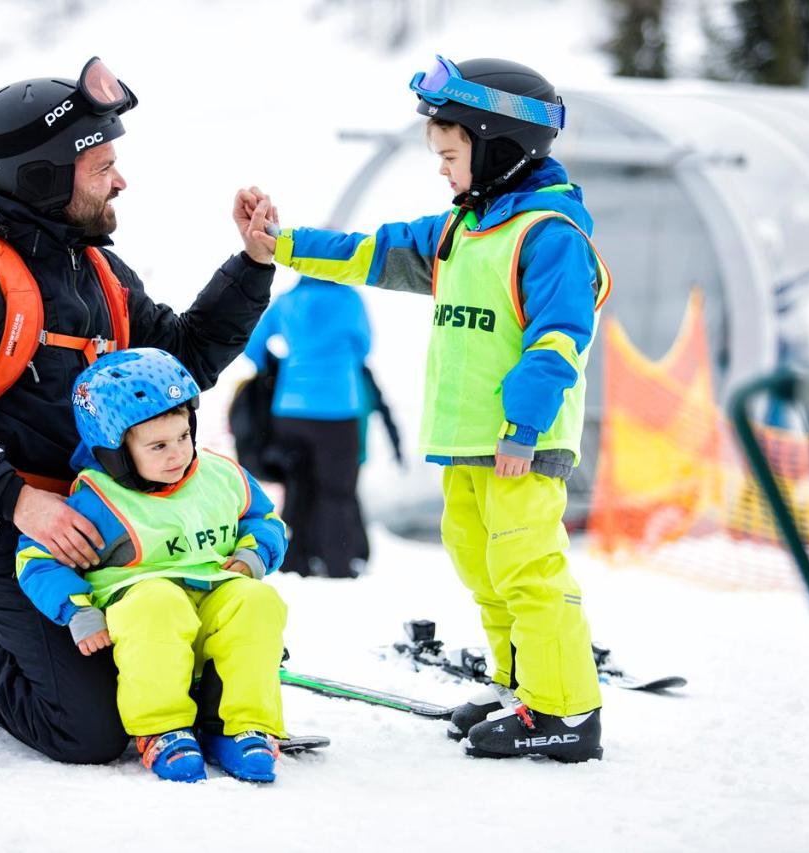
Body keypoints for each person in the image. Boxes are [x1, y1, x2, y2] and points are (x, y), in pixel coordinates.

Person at [0, 58, 278, 765]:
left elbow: (183, 360)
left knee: (204, 686)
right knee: (88, 730)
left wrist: (250, 263)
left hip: (109, 525)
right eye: (103, 166)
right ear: (43, 176)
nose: (120, 180)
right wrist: (21, 502)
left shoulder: (97, 270)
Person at [248, 56, 612, 762]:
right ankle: (520, 688)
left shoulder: (549, 236)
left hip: (519, 441)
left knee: (528, 568)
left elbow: (559, 340)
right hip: (470, 441)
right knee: (483, 566)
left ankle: (567, 709)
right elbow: (368, 253)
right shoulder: (462, 230)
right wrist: (280, 243)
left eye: (450, 155)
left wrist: (524, 425)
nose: (442, 170)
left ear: (499, 146)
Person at [15, 347, 288, 783]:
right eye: (158, 445)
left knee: (256, 601)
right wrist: (77, 610)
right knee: (159, 602)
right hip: (145, 610)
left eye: (183, 436)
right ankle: (163, 728)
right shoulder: (98, 502)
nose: (177, 454)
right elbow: (36, 558)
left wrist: (253, 556)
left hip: (214, 595)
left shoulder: (219, 475)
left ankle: (242, 726)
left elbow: (263, 519)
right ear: (115, 450)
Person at [243, 276, 372, 578]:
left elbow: (253, 345)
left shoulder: (288, 300)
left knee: (298, 486)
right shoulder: (349, 299)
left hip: (291, 408)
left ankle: (295, 561)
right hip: (339, 407)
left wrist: (279, 366)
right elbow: (364, 347)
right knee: (338, 490)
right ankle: (339, 563)